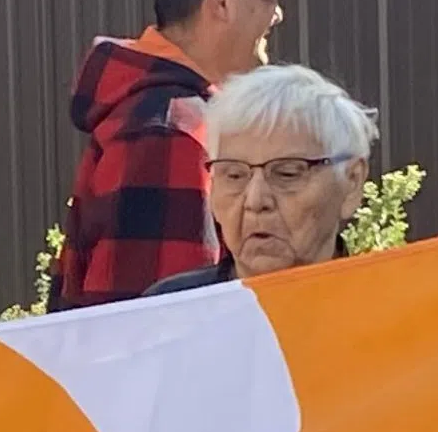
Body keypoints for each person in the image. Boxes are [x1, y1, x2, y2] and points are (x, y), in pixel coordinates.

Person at [56, 0, 318, 309]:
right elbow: (166, 328)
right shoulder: (172, 130)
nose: (278, 14)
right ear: (222, 1)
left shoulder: (166, 114)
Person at [142, 65, 378, 291]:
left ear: (351, 183)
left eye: (287, 174)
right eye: (234, 175)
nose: (255, 201)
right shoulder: (168, 316)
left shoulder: (396, 315)